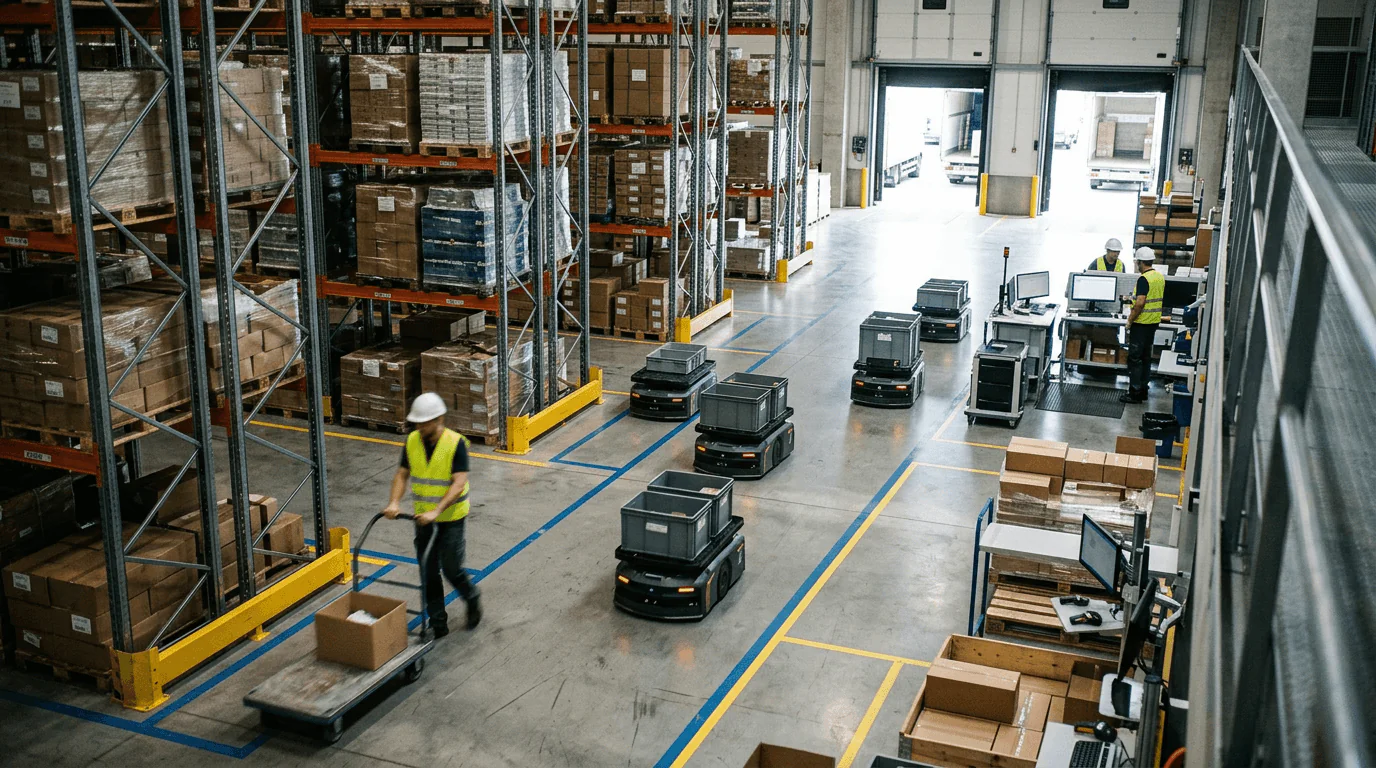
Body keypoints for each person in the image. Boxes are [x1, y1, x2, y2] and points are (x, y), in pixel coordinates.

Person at [383, 392, 481, 636]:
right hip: (423, 519)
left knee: (451, 567)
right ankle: (438, 622)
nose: (420, 426)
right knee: (427, 571)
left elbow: (458, 483)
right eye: (418, 422)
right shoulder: (412, 442)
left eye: (424, 422)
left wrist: (437, 510)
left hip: (451, 519)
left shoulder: (455, 443)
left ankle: (471, 596)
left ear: (439, 420)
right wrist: (394, 502)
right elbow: (402, 474)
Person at [1121, 247, 1165, 404]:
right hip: (1152, 323)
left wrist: (1129, 321)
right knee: (1146, 358)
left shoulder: (1143, 279)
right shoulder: (1159, 277)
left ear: (1140, 262)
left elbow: (1140, 303)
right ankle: (1144, 389)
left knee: (1135, 358)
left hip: (1141, 324)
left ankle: (1134, 393)